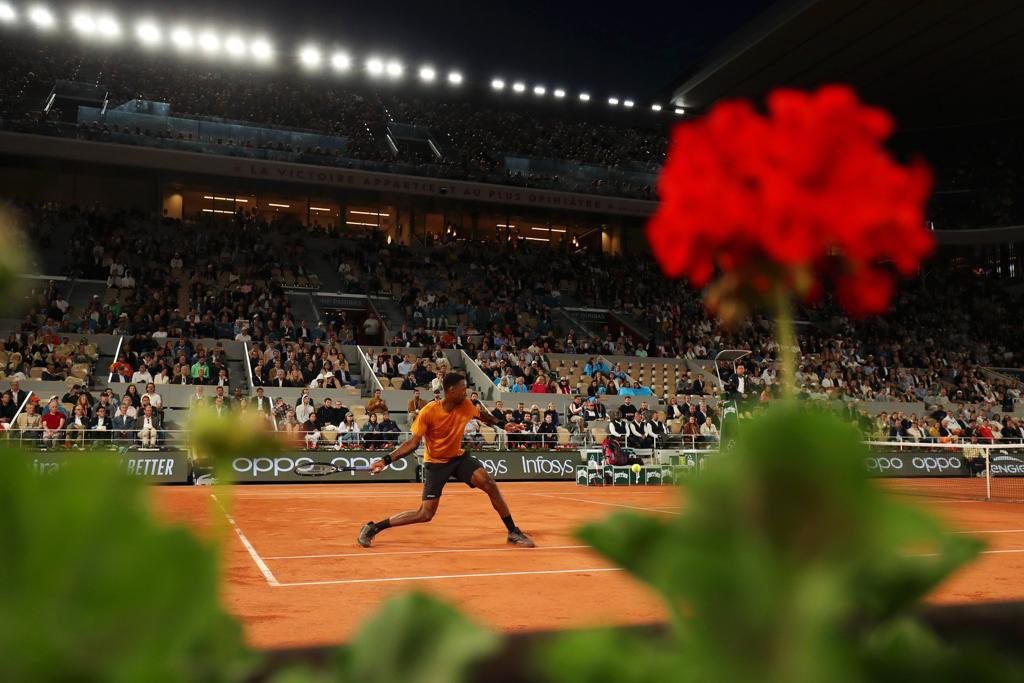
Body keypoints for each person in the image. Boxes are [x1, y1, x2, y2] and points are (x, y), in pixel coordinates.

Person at [358, 372, 534, 548]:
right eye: (463, 389)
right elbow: (412, 444)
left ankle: (512, 531)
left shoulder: (465, 404)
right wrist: (385, 460)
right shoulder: (429, 411)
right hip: (436, 464)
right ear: (451, 390)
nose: (466, 393)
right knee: (425, 514)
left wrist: (502, 424)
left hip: (458, 458)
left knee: (489, 483)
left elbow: (481, 416)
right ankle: (374, 528)